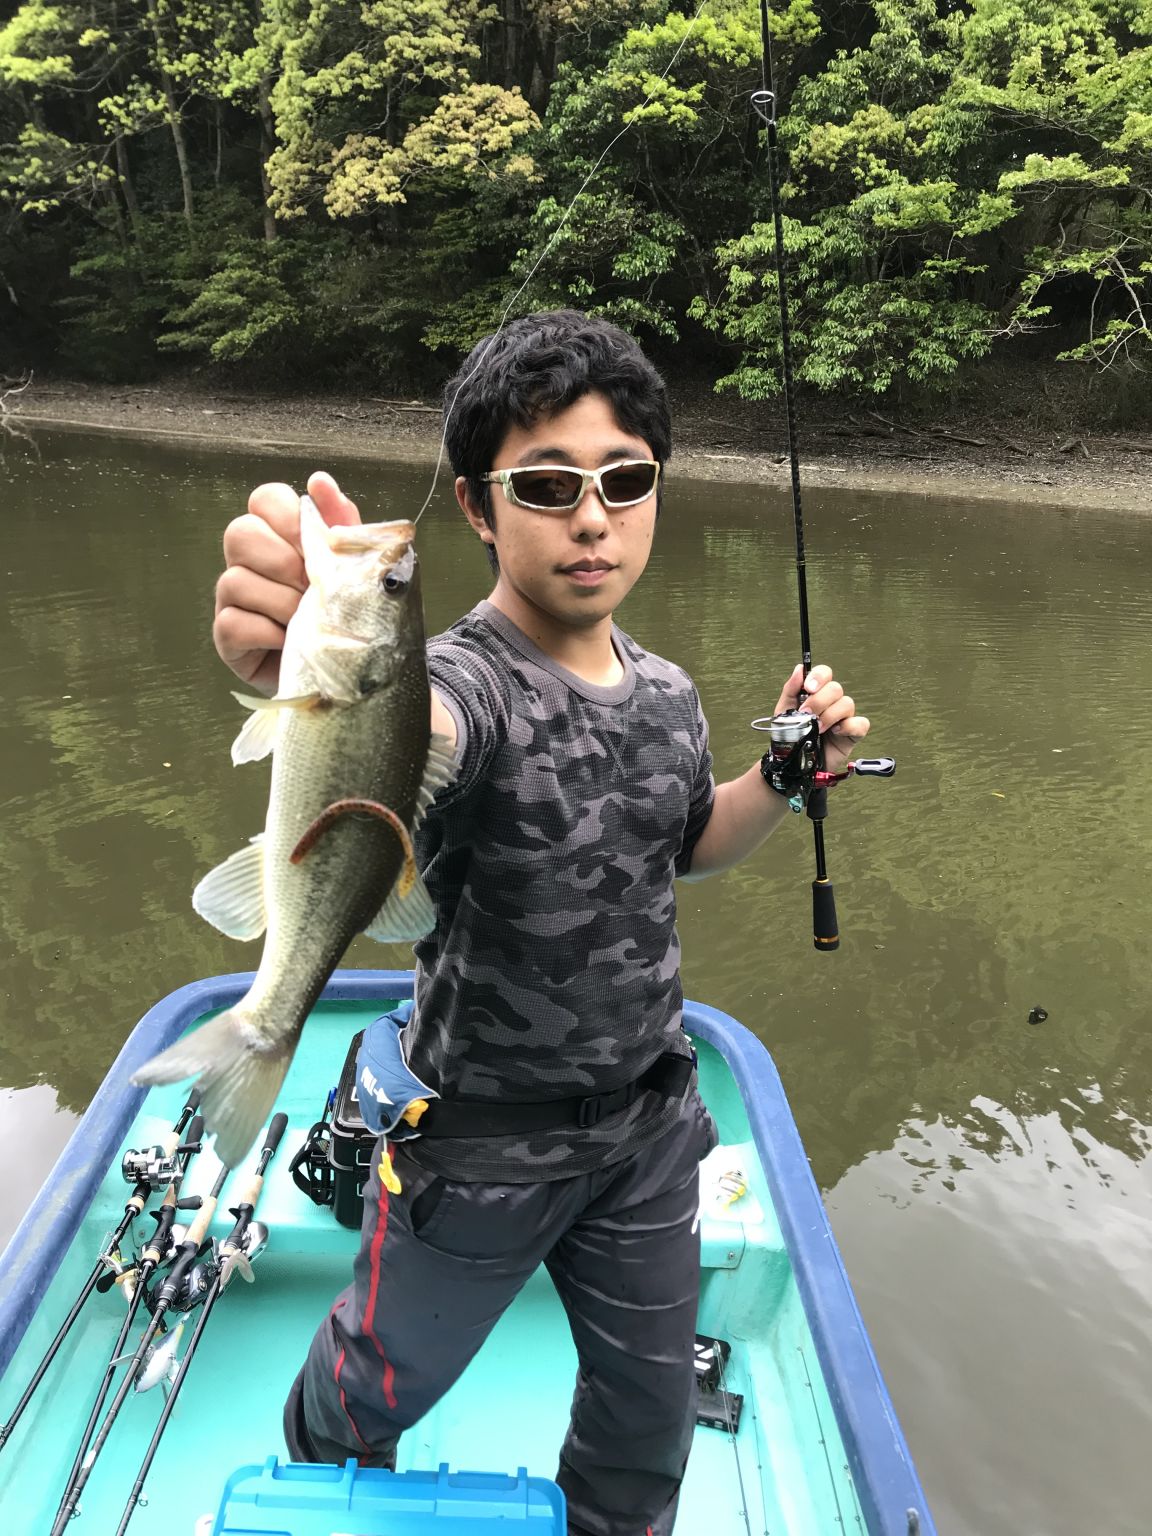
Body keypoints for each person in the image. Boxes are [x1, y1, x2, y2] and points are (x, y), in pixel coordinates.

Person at [212, 310, 869, 1536]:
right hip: (475, 1152)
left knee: (643, 1433)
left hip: (647, 1137)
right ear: (477, 505)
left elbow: (689, 842)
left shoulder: (670, 691)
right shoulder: (462, 682)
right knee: (368, 1392)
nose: (592, 516)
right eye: (549, 483)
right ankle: (313, 1498)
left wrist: (781, 777)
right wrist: (307, 658)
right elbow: (420, 744)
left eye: (625, 480)